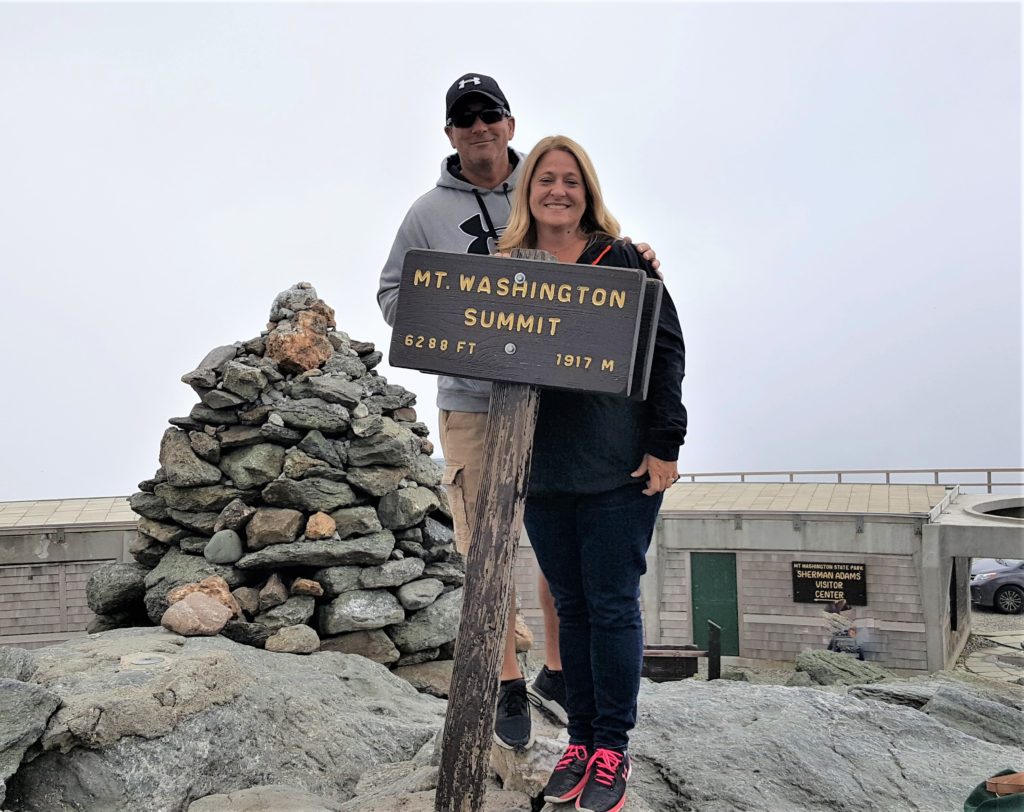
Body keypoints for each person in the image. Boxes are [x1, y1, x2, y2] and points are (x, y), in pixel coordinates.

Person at [377, 74, 660, 751]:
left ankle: (559, 670)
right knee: (484, 544)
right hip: (472, 405)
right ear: (450, 132)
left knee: (557, 535)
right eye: (464, 118)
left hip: (560, 408)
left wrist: (639, 262)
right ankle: (506, 679)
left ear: (509, 122)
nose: (479, 126)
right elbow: (395, 295)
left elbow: (598, 261)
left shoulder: (544, 185)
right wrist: (460, 330)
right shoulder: (424, 214)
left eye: (490, 114)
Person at [497, 135, 687, 812]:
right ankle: (579, 740)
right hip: (544, 472)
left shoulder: (625, 259)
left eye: (570, 181)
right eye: (545, 179)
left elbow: (667, 353)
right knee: (570, 609)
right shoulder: (506, 267)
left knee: (611, 608)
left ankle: (613, 747)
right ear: (528, 192)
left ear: (588, 191)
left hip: (619, 467)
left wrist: (666, 445)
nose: (557, 190)